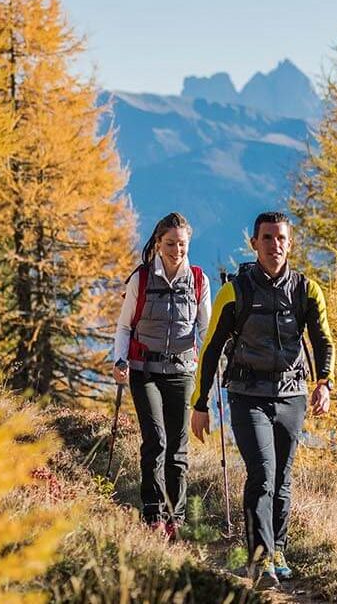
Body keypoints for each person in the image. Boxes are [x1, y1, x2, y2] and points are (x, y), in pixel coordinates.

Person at [191, 211, 334, 586]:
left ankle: (278, 548)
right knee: (263, 474)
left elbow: (322, 340)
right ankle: (260, 559)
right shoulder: (235, 291)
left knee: (283, 478)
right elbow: (211, 349)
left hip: (292, 396)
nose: (275, 245)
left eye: (282, 238)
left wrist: (325, 383)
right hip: (246, 396)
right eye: (267, 238)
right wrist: (200, 404)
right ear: (254, 244)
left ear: (290, 242)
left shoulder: (306, 290)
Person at [110, 212, 211, 539]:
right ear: (157, 243)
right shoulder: (140, 278)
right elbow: (125, 326)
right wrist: (120, 360)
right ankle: (152, 512)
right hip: (144, 371)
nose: (176, 250)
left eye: (182, 244)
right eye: (170, 244)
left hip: (182, 372)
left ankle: (175, 516)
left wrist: (210, 368)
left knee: (178, 447)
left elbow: (206, 330)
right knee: (156, 441)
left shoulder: (198, 280)